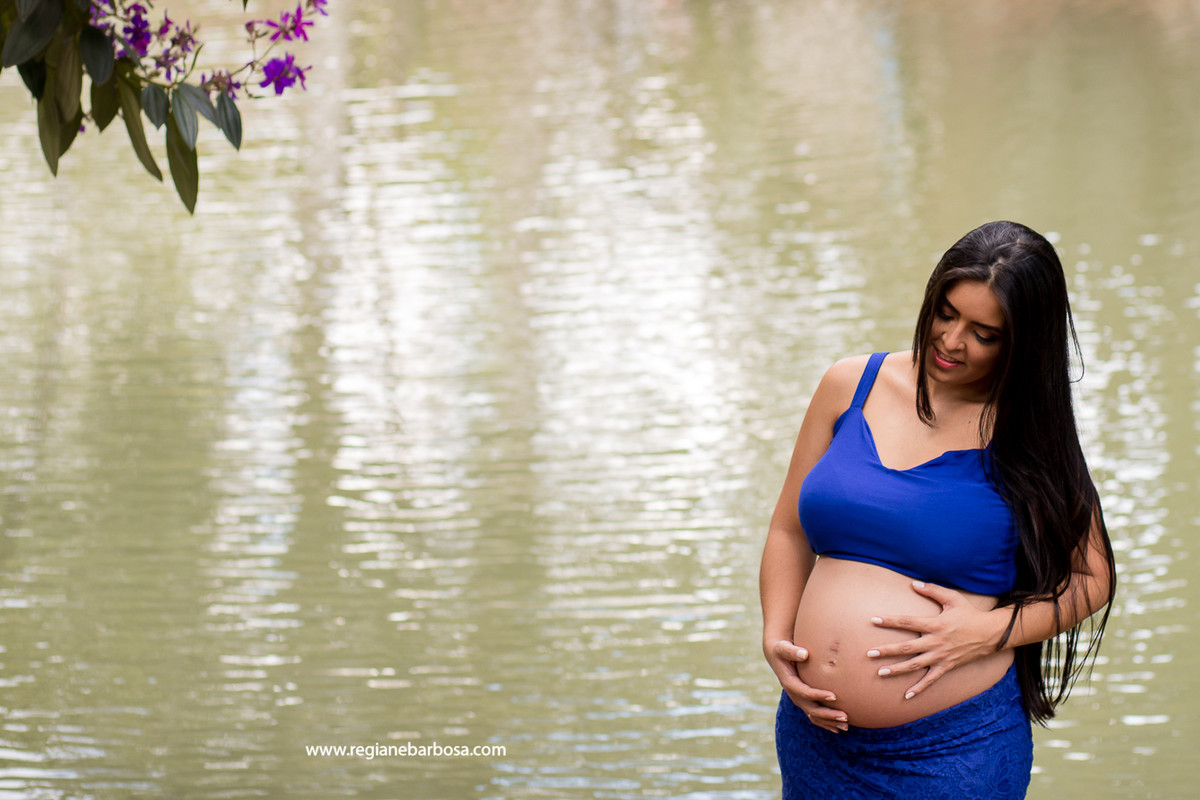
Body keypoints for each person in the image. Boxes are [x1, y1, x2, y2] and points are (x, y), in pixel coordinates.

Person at [759, 221, 1117, 799]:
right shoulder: (850, 384)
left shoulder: (1029, 432)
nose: (951, 341)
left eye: (984, 334)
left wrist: (990, 631)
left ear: (1023, 343)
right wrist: (777, 635)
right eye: (945, 314)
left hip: (952, 749)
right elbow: (788, 530)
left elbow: (1092, 578)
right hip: (816, 736)